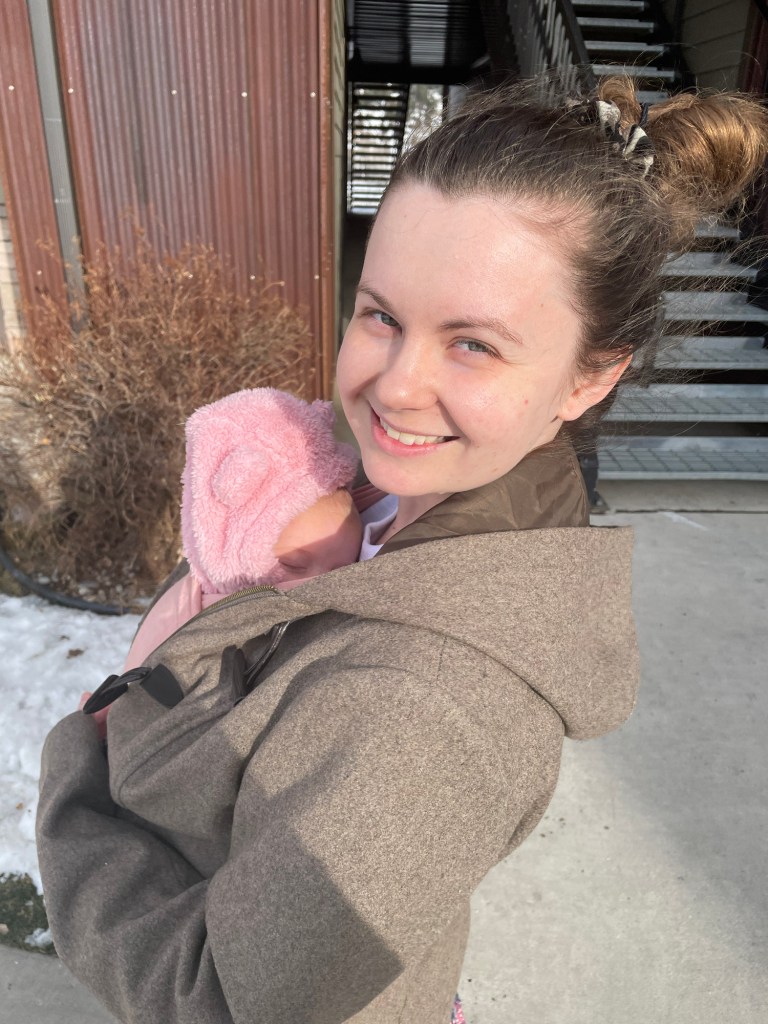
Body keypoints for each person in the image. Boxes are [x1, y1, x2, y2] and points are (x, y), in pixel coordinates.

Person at [36, 77, 768, 1024]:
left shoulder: (419, 708)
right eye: (381, 314)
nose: (396, 386)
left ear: (590, 377)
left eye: (473, 344)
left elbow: (221, 1003)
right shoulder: (391, 499)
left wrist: (77, 777)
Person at [121, 388, 363, 672]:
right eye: (293, 564)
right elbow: (134, 703)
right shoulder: (186, 626)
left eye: (343, 570)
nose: (318, 585)